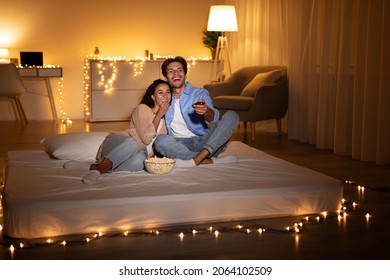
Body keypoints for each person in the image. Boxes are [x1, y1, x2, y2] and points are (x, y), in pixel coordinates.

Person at [64, 79, 172, 184]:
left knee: (139, 162)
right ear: (153, 96)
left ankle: (92, 167)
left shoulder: (168, 119)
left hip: (139, 152)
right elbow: (146, 138)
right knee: (133, 143)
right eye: (160, 92)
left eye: (168, 92)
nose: (165, 96)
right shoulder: (143, 109)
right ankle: (97, 172)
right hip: (119, 144)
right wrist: (159, 115)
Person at [154, 56, 240, 167]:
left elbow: (214, 119)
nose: (176, 74)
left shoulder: (199, 93)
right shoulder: (164, 96)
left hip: (204, 141)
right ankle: (207, 160)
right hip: (179, 144)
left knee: (232, 115)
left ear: (185, 73)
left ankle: (196, 159)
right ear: (166, 76)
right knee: (160, 141)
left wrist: (206, 111)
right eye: (171, 71)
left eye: (180, 70)